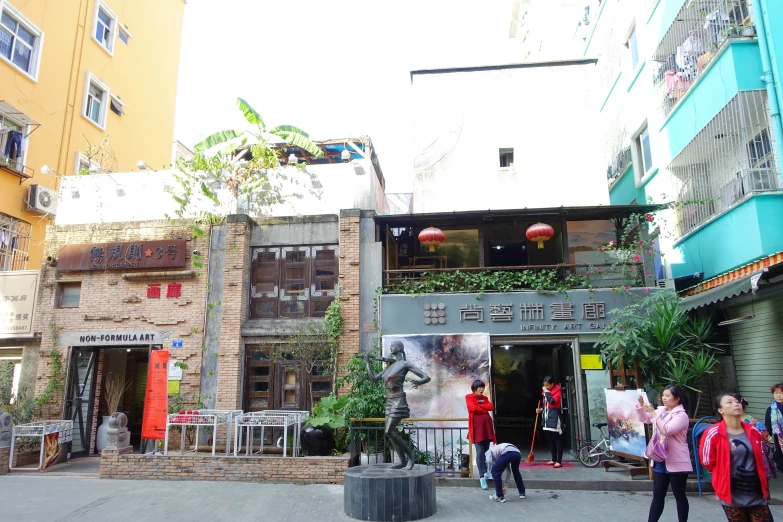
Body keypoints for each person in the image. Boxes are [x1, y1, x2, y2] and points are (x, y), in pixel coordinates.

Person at [701, 393, 772, 522]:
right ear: (720, 410)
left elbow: (761, 458)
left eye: (737, 402)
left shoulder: (753, 430)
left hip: (755, 490)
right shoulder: (713, 433)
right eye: (730, 402)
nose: (736, 404)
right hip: (731, 492)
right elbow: (707, 461)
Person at [364, 341, 431, 470]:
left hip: (399, 400)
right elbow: (373, 379)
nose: (391, 347)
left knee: (389, 430)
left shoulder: (404, 364)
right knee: (390, 432)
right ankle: (402, 461)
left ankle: (411, 455)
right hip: (389, 400)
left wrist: (419, 382)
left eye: (393, 345)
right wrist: (367, 362)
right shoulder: (390, 367)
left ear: (399, 348)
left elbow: (426, 377)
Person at [636, 384, 692, 522]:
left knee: (680, 496)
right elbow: (645, 419)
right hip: (660, 459)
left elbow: (667, 429)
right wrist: (642, 406)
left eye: (668, 396)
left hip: (677, 460)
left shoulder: (681, 415)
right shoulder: (662, 411)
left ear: (677, 398)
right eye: (663, 395)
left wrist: (654, 414)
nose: (664, 398)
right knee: (658, 496)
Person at [734, 393, 776, 479]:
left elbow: (769, 443)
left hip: (754, 462)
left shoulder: (756, 423)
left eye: (737, 404)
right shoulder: (729, 424)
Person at [466, 379, 496, 489]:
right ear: (475, 389)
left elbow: (491, 407)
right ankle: (482, 476)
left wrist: (480, 406)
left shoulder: (485, 398)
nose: (482, 389)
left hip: (486, 428)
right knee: (479, 452)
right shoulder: (469, 397)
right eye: (480, 387)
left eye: (483, 387)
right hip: (477, 428)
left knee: (485, 451)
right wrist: (482, 407)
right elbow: (472, 408)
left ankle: (486, 472)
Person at [536, 376, 564, 467]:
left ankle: (559, 461)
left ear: (552, 384)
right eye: (544, 385)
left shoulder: (557, 391)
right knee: (550, 440)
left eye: (547, 385)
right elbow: (546, 405)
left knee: (557, 439)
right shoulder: (545, 392)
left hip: (555, 417)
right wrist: (541, 409)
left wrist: (547, 392)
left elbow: (552, 401)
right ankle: (553, 459)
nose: (546, 387)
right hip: (546, 417)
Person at [764, 382, 783, 474]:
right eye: (776, 393)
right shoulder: (771, 409)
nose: (778, 396)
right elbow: (768, 426)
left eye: (781, 393)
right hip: (778, 438)